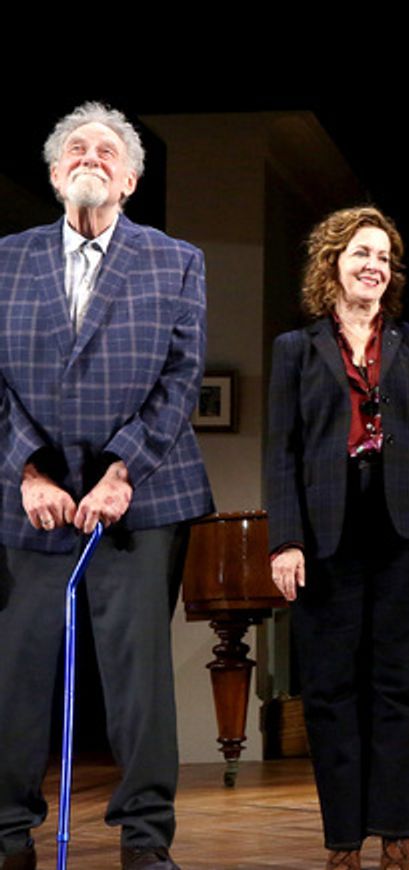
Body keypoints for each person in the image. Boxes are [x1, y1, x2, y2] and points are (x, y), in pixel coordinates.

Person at [0, 102, 213, 870]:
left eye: (107, 151)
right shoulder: (6, 259)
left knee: (137, 675)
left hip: (142, 496)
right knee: (16, 672)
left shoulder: (175, 261)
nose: (91, 157)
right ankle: (7, 832)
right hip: (30, 498)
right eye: (76, 150)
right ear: (56, 175)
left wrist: (124, 471)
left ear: (128, 181)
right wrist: (27, 472)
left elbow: (181, 380)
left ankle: (145, 839)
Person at [264, 206, 409, 870]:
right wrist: (285, 540)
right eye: (360, 254)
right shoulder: (295, 348)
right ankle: (343, 840)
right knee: (330, 688)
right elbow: (281, 451)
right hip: (326, 533)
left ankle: (398, 832)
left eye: (383, 256)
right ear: (332, 264)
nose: (374, 265)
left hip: (404, 528)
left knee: (404, 685)